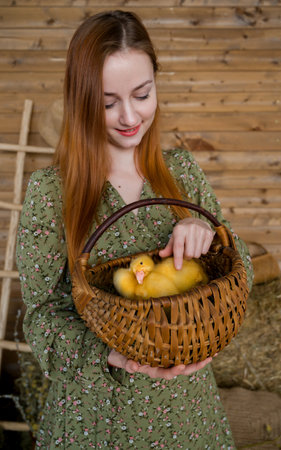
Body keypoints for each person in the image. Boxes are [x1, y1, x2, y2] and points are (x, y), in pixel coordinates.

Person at [16, 10, 253, 449]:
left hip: (187, 416)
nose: (129, 116)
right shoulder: (51, 192)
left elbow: (241, 271)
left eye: (142, 94)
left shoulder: (182, 172)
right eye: (107, 103)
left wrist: (202, 229)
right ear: (80, 99)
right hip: (96, 421)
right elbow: (41, 319)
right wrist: (112, 354)